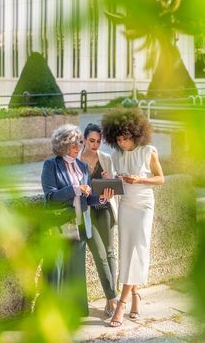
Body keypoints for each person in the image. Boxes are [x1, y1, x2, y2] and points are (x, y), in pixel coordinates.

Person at [41, 124, 114, 316]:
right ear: (62, 145)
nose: (78, 147)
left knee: (76, 271)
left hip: (79, 225)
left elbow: (87, 198)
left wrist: (102, 198)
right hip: (58, 226)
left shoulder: (82, 166)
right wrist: (75, 189)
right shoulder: (50, 165)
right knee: (55, 271)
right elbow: (50, 197)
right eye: (73, 144)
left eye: (79, 143)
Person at [101, 109, 165, 327]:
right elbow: (117, 183)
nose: (122, 142)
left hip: (144, 206)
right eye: (118, 139)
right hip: (126, 206)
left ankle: (122, 304)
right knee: (127, 251)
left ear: (136, 134)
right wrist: (112, 180)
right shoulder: (116, 155)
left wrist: (139, 179)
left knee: (139, 248)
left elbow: (161, 179)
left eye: (126, 138)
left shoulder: (149, 151)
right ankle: (136, 296)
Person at [80, 123, 119, 317]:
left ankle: (109, 300)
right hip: (87, 212)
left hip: (105, 209)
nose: (95, 145)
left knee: (110, 252)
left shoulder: (106, 158)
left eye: (98, 141)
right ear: (84, 139)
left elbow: (112, 187)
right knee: (100, 254)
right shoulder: (76, 160)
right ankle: (113, 296)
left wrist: (108, 179)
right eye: (91, 141)